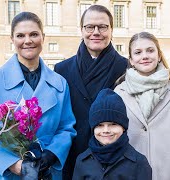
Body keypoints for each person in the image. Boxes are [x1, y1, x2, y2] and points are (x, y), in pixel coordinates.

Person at [0, 12, 76, 180]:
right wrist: (14, 164)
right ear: (12, 39)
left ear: (43, 37)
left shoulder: (60, 83)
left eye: (34, 34)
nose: (28, 41)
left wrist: (51, 154)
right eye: (20, 35)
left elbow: (66, 127)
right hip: (5, 173)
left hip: (46, 171)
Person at [54, 5, 127, 179]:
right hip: (72, 157)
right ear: (81, 30)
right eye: (89, 27)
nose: (96, 32)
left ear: (111, 30)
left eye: (102, 27)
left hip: (113, 158)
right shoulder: (61, 69)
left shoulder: (126, 68)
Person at [114, 32, 170, 180]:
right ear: (131, 60)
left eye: (150, 50)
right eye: (138, 52)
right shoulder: (119, 92)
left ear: (159, 55)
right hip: (130, 173)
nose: (145, 56)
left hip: (166, 173)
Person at [72, 89, 152, 180]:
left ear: (123, 127)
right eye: (100, 125)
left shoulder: (139, 163)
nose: (106, 130)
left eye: (113, 124)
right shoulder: (82, 161)